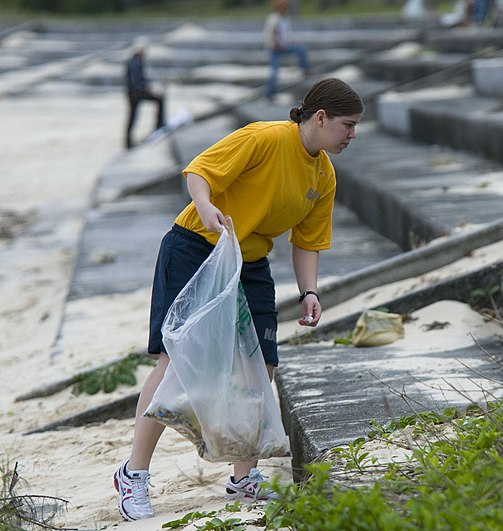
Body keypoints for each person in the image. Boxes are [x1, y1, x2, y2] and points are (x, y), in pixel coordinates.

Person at [113, 77, 364, 521]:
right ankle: (133, 474)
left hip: (249, 262)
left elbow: (307, 241)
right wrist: (206, 206)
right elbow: (198, 171)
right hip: (195, 247)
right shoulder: (265, 137)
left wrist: (309, 291)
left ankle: (243, 477)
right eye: (347, 125)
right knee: (175, 360)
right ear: (320, 117)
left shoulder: (324, 175)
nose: (352, 135)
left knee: (261, 364)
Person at [263, 0, 309, 100]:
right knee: (274, 71)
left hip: (285, 46)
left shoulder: (286, 19)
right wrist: (274, 44)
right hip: (275, 48)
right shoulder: (272, 19)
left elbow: (287, 35)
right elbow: (269, 35)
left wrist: (294, 41)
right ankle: (269, 94)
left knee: (301, 49)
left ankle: (304, 70)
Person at [125, 37, 165, 149]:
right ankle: (159, 125)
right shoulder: (135, 61)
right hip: (135, 93)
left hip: (134, 92)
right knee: (158, 100)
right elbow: (135, 80)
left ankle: (128, 140)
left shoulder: (135, 60)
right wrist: (145, 88)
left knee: (132, 116)